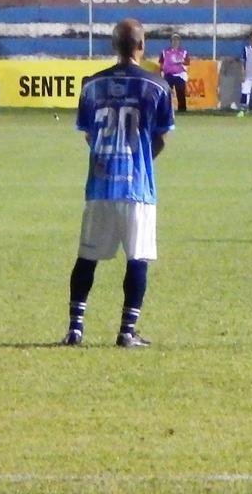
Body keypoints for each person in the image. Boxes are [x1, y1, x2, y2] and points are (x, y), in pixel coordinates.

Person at [62, 18, 174, 348]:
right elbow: (161, 139)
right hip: (137, 186)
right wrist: (135, 159)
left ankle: (75, 329)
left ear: (114, 45)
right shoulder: (157, 87)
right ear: (142, 46)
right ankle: (127, 332)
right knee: (138, 256)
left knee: (87, 257)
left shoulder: (91, 86)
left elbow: (88, 134)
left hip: (100, 185)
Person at [158, 33, 190, 112]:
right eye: (174, 40)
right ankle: (165, 109)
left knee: (180, 93)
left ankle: (182, 109)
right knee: (166, 93)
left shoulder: (183, 52)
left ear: (179, 42)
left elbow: (188, 62)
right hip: (168, 75)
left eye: (177, 40)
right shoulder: (165, 51)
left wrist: (182, 61)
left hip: (179, 75)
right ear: (171, 41)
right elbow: (161, 62)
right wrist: (161, 72)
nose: (175, 42)